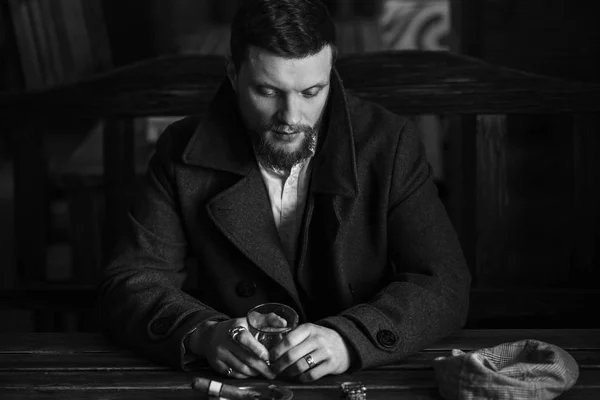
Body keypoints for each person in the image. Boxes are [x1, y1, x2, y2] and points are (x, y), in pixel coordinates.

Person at [97, 0, 471, 383]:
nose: (291, 118)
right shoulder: (180, 150)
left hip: (357, 381)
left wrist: (350, 339)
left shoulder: (389, 143)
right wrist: (203, 334)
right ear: (232, 73)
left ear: (331, 67)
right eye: (267, 91)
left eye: (311, 91)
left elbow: (443, 283)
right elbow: (131, 282)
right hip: (235, 383)